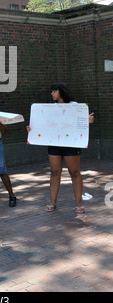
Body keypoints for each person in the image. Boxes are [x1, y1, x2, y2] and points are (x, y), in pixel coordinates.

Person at [27, 82, 94, 213]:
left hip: (71, 144)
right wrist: (32, 129)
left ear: (61, 92)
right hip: (54, 144)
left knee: (74, 173)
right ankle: (52, 202)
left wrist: (88, 121)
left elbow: (81, 122)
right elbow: (43, 125)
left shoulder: (75, 106)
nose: (52, 93)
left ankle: (79, 203)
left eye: (54, 91)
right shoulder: (51, 108)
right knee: (54, 172)